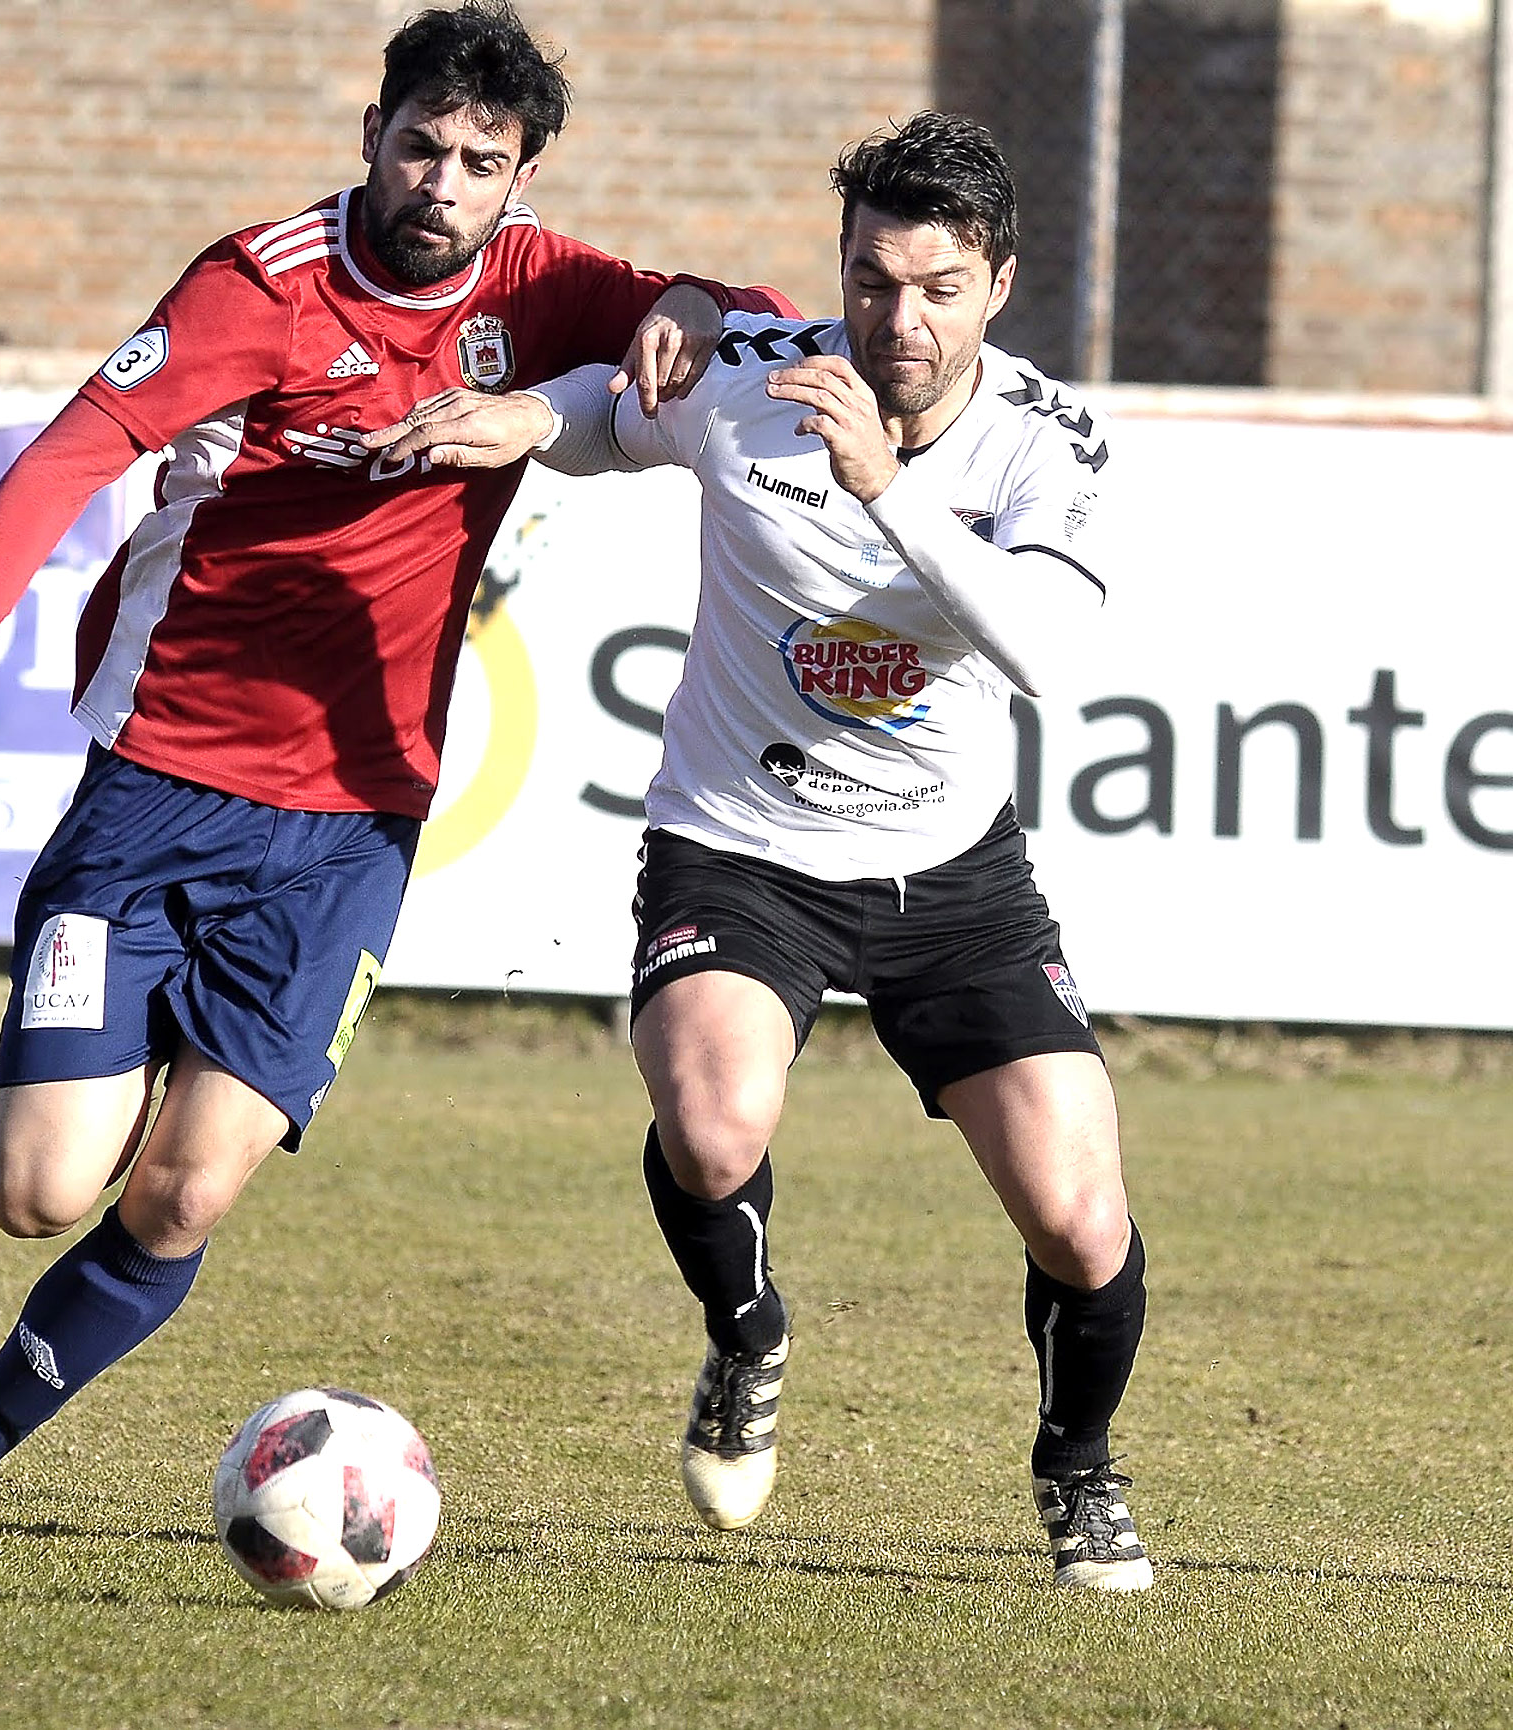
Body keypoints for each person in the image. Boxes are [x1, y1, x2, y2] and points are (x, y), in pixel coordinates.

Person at [0, 0, 791, 1549]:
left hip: (351, 827)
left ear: (520, 178)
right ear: (371, 136)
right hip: (158, 785)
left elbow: (727, 313)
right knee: (39, 1187)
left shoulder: (540, 286)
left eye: (480, 160)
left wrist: (685, 298)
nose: (441, 178)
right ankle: (64, 1057)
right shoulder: (257, 289)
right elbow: (67, 457)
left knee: (184, 1195)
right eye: (419, 143)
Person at [365, 110, 1153, 1591]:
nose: (896, 319)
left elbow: (1049, 648)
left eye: (934, 287)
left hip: (950, 875)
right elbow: (613, 406)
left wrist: (888, 490)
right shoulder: (755, 380)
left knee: (1079, 1215)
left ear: (998, 287)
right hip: (740, 845)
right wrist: (534, 418)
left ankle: (1079, 1467)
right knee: (714, 1128)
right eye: (870, 280)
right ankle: (746, 1333)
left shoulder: (1048, 442)